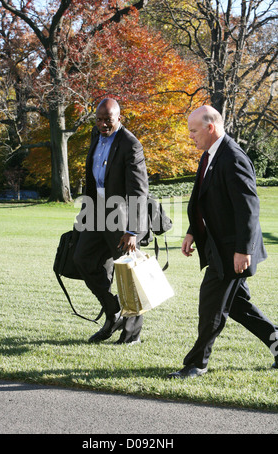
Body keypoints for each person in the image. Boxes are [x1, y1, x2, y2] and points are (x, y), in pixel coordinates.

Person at [169, 105, 278, 379]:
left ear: (210, 127)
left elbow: (248, 208)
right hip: (219, 247)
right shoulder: (209, 155)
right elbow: (203, 199)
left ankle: (197, 363)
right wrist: (194, 230)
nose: (190, 136)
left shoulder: (233, 157)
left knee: (211, 306)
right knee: (238, 305)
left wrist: (243, 250)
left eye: (194, 131)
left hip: (232, 251)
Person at [73, 98, 148, 344]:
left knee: (127, 272)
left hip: (122, 215)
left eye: (108, 120)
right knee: (82, 258)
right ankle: (113, 311)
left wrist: (132, 230)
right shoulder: (95, 136)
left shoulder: (131, 145)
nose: (103, 124)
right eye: (99, 119)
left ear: (119, 118)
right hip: (96, 211)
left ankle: (132, 335)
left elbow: (139, 190)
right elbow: (92, 179)